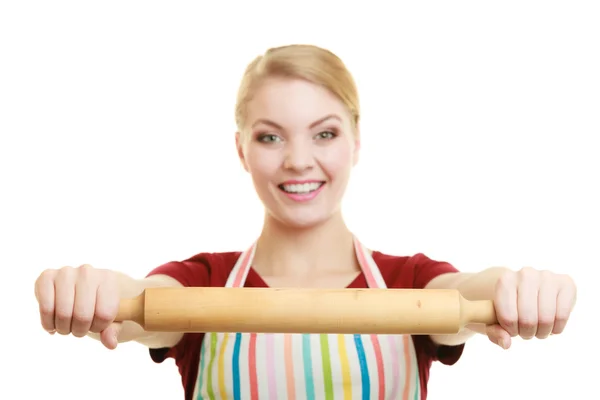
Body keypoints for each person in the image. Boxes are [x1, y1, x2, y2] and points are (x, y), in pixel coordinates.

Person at [34, 44, 577, 400]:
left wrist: (515, 289)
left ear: (356, 141)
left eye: (324, 133)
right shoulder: (202, 284)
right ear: (241, 150)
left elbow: (467, 297)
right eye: (270, 136)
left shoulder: (409, 283)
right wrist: (96, 291)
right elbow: (137, 303)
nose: (297, 160)